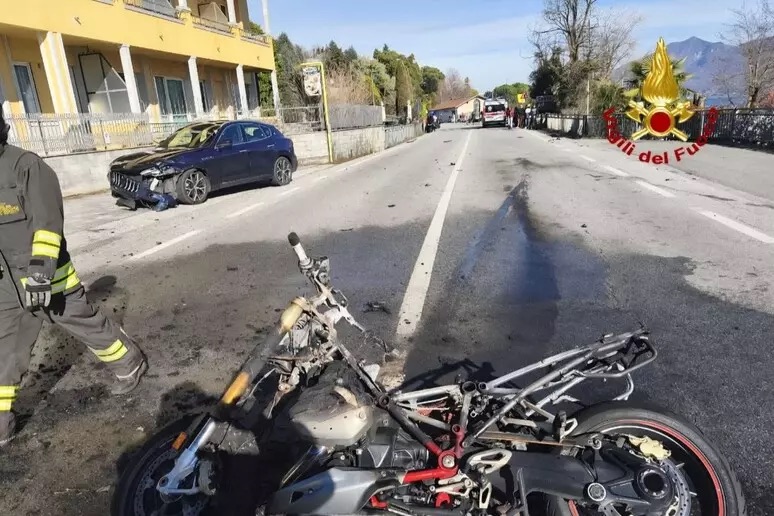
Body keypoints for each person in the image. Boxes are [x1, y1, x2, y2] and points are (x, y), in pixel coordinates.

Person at [0, 108, 148, 446]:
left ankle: (130, 362)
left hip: (47, 278)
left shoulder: (27, 167)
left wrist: (40, 275)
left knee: (85, 325)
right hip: (7, 286)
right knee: (5, 349)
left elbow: (48, 226)